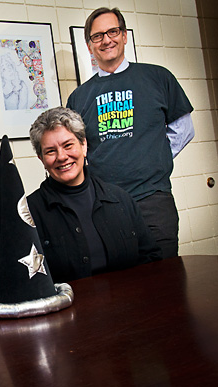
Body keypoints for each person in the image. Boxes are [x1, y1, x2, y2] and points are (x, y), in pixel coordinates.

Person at [66, 7, 194, 259]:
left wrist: (155, 157)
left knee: (163, 280)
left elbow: (184, 129)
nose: (106, 40)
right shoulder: (78, 97)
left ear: (124, 35)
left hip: (154, 200)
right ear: (89, 45)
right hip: (105, 205)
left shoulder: (158, 77)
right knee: (121, 285)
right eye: (97, 36)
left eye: (113, 31)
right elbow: (78, 149)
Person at [27, 107, 162, 283]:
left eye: (68, 145)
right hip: (67, 309)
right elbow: (26, 282)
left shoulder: (120, 199)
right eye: (50, 151)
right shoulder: (29, 212)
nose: (61, 157)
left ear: (84, 146)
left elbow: (150, 258)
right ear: (41, 159)